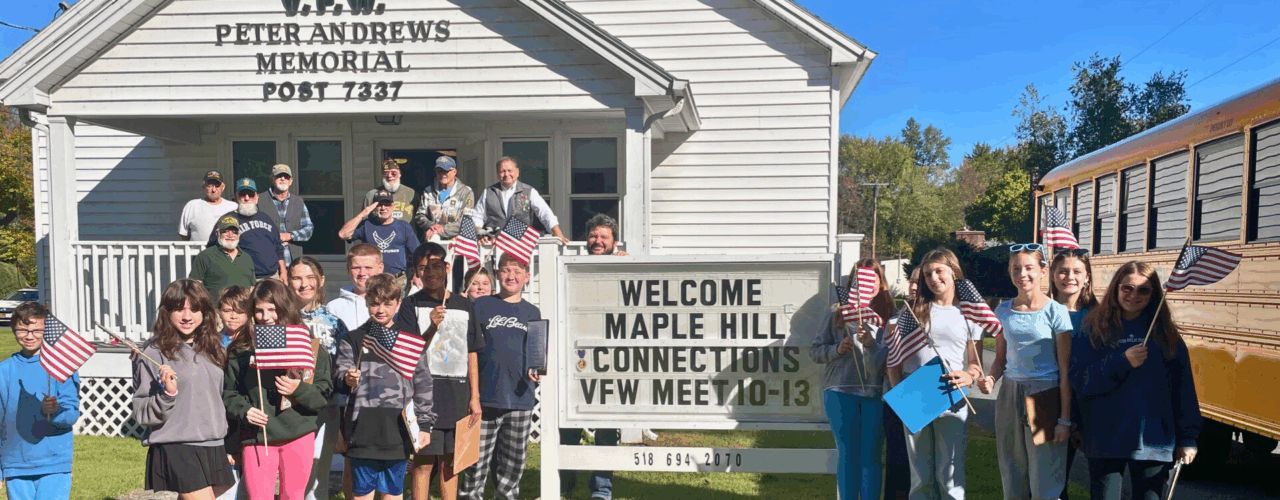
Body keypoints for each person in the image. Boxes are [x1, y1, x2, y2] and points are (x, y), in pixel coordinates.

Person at [1069, 261, 1201, 500]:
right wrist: (1121, 362)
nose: (1134, 295)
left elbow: (1183, 390)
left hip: (1154, 440)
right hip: (1105, 437)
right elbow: (1080, 382)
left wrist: (1187, 437)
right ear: (1116, 288)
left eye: (1143, 290)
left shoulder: (1166, 335)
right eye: (1127, 287)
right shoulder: (1093, 329)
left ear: (1154, 293)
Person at [976, 244, 1073, 500]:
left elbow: (1065, 371)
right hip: (1010, 394)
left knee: (1044, 482)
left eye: (1029, 268)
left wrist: (1064, 419)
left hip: (1045, 395)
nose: (1022, 274)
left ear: (1043, 271)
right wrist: (990, 378)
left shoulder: (1056, 312)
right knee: (1012, 473)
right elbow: (999, 359)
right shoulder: (1003, 311)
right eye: (1015, 268)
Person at [886, 248, 984, 500]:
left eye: (939, 271)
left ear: (953, 271)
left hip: (952, 396)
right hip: (915, 395)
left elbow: (976, 363)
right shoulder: (912, 312)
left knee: (950, 475)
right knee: (920, 477)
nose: (933, 278)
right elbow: (893, 361)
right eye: (928, 274)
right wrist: (900, 398)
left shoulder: (969, 313)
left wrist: (969, 376)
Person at [224, 280, 333, 500]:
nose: (266, 317)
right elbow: (229, 394)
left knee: (293, 496)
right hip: (258, 435)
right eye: (259, 311)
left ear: (285, 308)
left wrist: (298, 389)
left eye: (272, 309)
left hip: (298, 433)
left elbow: (323, 395)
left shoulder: (307, 347)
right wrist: (245, 410)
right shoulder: (240, 349)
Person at [334, 274, 436, 500]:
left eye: (388, 303)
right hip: (361, 430)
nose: (381, 309)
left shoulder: (409, 341)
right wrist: (347, 378)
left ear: (398, 303)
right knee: (361, 494)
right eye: (375, 303)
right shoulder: (353, 339)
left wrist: (425, 423)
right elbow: (339, 376)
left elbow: (423, 385)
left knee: (392, 494)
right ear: (366, 301)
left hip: (398, 429)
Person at [395, 243, 484, 500]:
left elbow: (472, 352)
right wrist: (431, 327)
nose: (430, 273)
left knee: (451, 463)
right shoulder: (410, 305)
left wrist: (474, 397)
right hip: (425, 395)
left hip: (457, 393)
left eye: (435, 266)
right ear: (416, 272)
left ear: (446, 268)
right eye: (423, 268)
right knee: (423, 462)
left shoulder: (464, 305)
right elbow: (409, 352)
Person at [133, 280, 234, 500]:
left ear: (205, 312)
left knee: (220, 489)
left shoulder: (214, 347)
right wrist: (168, 394)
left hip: (212, 441)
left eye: (194, 309)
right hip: (177, 443)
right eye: (179, 309)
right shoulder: (154, 353)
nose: (187, 316)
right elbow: (142, 411)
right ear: (167, 312)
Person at [457, 253, 543, 500]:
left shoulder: (532, 312)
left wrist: (538, 368)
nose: (511, 276)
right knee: (474, 464)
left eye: (517, 271)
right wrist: (473, 396)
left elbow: (538, 352)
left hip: (520, 398)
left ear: (527, 277)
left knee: (512, 466)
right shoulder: (481, 305)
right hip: (483, 399)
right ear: (497, 274)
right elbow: (470, 350)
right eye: (506, 270)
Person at [811, 258, 894, 500]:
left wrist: (870, 345)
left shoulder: (890, 314)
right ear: (854, 282)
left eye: (874, 277)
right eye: (862, 278)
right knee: (847, 455)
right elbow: (815, 351)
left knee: (871, 456)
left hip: (876, 392)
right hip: (839, 391)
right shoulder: (837, 311)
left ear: (880, 282)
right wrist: (836, 349)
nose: (868, 283)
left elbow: (892, 358)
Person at [558, 214, 626, 499]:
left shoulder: (624, 265)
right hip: (576, 356)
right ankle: (564, 483)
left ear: (614, 242)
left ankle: (601, 488)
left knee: (607, 428)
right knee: (568, 426)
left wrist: (628, 265)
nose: (597, 241)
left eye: (604, 237)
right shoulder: (571, 268)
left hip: (610, 359)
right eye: (593, 236)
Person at [0, 302, 81, 500]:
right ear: (14, 330)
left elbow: (71, 414)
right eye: (23, 330)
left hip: (54, 463)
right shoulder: (4, 370)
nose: (29, 336)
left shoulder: (62, 367)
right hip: (15, 464)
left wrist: (55, 411)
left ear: (47, 331)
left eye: (37, 330)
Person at [290, 257, 350, 500]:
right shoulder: (281, 319)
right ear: (287, 281)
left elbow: (343, 367)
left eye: (310, 277)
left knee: (319, 472)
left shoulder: (335, 323)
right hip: (290, 406)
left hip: (327, 404)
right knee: (292, 473)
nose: (304, 284)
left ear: (321, 280)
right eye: (297, 278)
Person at [1047, 248, 1097, 500]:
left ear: (1087, 277)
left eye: (1077, 271)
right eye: (1063, 271)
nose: (1070, 277)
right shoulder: (1040, 312)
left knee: (1101, 477)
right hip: (1051, 403)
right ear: (1053, 275)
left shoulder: (1100, 317)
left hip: (1090, 404)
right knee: (1054, 479)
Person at [470, 156, 568, 245]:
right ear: (497, 174)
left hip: (521, 245)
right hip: (494, 245)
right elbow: (477, 216)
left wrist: (558, 234)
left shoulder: (529, 191)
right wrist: (480, 233)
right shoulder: (488, 192)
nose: (506, 174)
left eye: (510, 170)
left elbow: (545, 213)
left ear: (517, 172)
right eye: (502, 171)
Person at [414, 156, 476, 291]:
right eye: (439, 171)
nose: (442, 175)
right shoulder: (428, 191)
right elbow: (419, 216)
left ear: (454, 172)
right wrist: (432, 226)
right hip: (434, 244)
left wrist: (443, 229)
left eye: (446, 171)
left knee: (456, 283)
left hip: (457, 247)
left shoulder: (466, 192)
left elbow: (467, 220)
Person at [210, 178, 287, 282]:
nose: (246, 198)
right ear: (236, 197)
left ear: (256, 197)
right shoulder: (227, 220)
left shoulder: (266, 218)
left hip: (273, 277)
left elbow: (278, 246)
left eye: (250, 195)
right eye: (242, 194)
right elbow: (213, 248)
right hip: (245, 279)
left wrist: (283, 271)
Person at [215, 285, 253, 500]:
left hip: (248, 417)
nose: (233, 316)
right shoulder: (212, 343)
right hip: (221, 417)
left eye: (239, 311)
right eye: (227, 310)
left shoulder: (253, 343)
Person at [340, 189, 420, 279]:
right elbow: (343, 234)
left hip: (397, 280)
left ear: (393, 206)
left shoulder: (403, 226)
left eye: (387, 204)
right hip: (372, 279)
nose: (383, 208)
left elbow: (417, 253)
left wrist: (417, 276)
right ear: (374, 207)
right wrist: (363, 214)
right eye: (379, 205)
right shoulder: (366, 225)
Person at [257, 164, 314, 265]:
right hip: (267, 261)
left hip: (294, 261)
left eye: (286, 177)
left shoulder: (298, 202)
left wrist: (290, 236)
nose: (283, 178)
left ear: (291, 181)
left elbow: (309, 229)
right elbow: (254, 230)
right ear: (272, 179)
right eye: (279, 176)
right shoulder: (259, 200)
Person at [191, 215, 256, 301]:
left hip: (242, 311)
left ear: (239, 235)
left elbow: (252, 287)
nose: (230, 235)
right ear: (218, 233)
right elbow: (195, 285)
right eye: (225, 231)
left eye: (234, 232)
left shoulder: (246, 258)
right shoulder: (205, 256)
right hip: (216, 311)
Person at [329, 243, 385, 332]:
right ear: (348, 269)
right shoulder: (334, 308)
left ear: (380, 268)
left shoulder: (392, 304)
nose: (362, 273)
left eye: (368, 267)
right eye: (356, 268)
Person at [179, 170, 236, 242]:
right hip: (198, 252)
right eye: (210, 185)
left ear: (223, 187)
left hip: (224, 252)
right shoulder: (192, 206)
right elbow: (183, 234)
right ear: (204, 186)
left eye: (217, 185)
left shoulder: (233, 207)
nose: (214, 190)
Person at [364, 159, 417, 226]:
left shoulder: (411, 193)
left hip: (405, 234)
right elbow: (365, 221)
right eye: (386, 173)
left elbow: (418, 218)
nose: (389, 176)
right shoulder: (371, 195)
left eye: (393, 173)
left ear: (400, 174)